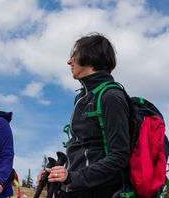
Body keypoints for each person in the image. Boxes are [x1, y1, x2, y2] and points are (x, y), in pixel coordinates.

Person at [40, 33, 130, 198]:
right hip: (76, 191)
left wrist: (73, 178)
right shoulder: (82, 97)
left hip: (100, 192)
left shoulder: (111, 96)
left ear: (91, 55)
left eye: (73, 55)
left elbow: (119, 156)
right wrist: (60, 175)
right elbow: (83, 150)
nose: (69, 61)